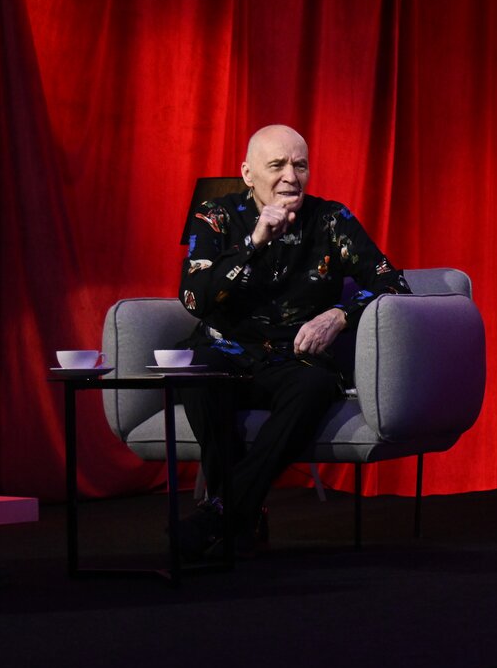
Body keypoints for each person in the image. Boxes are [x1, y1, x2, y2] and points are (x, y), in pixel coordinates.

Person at [176, 124, 410, 558]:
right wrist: (253, 242)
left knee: (316, 385)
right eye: (277, 165)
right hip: (227, 351)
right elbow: (194, 298)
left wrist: (340, 315)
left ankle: (221, 514)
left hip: (295, 358)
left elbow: (393, 283)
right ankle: (239, 515)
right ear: (248, 174)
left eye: (300, 165)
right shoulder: (216, 215)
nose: (291, 176)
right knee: (198, 374)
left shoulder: (330, 219)